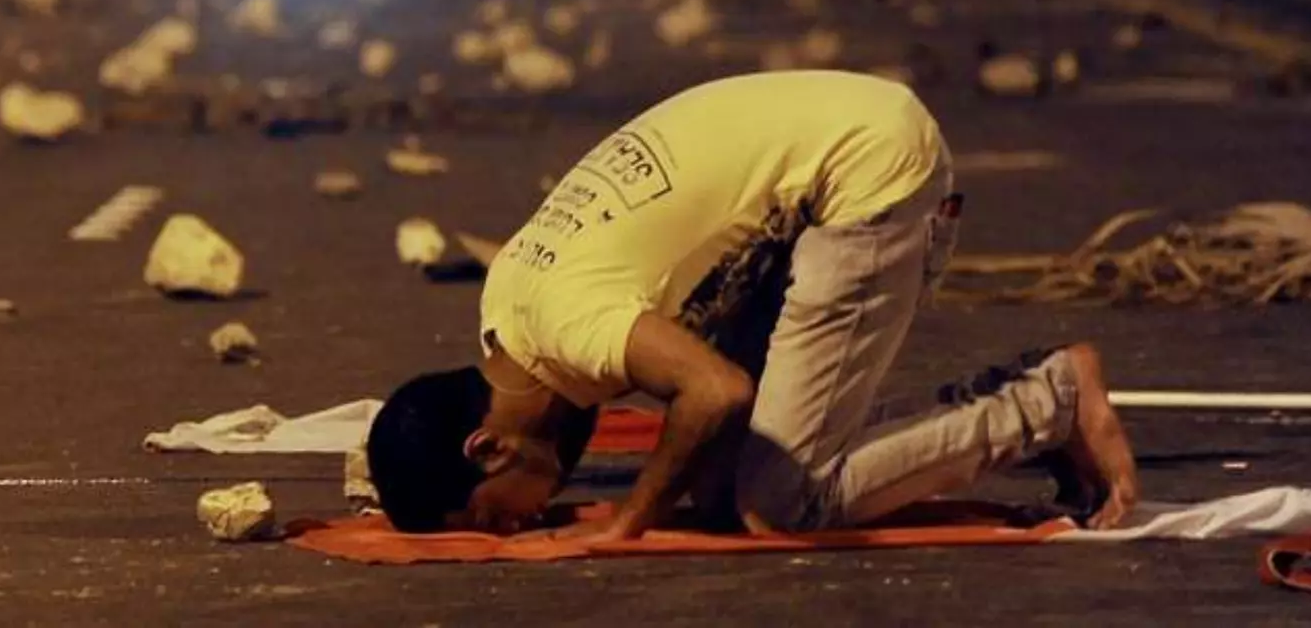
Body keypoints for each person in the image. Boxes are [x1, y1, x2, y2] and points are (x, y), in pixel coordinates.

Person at [366, 70, 1138, 541]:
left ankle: (1050, 402)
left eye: (492, 516)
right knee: (718, 484)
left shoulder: (568, 324)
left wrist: (628, 519)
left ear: (487, 448)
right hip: (814, 172)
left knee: (781, 503)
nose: (517, 525)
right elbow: (678, 403)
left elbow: (718, 390)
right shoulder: (510, 314)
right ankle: (1031, 403)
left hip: (869, 174)